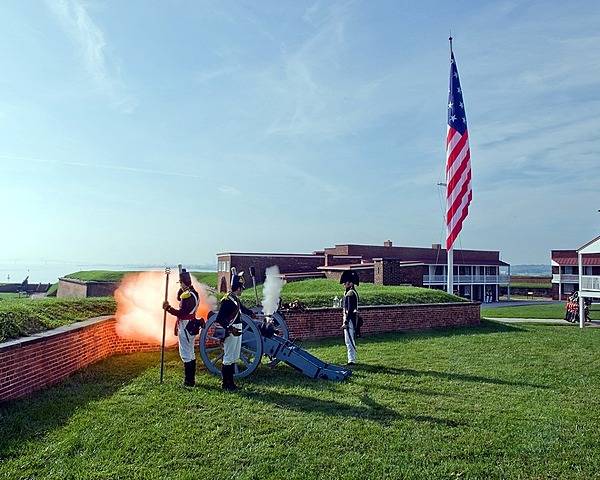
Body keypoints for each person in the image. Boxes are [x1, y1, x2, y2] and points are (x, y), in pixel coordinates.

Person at [162, 267, 203, 387]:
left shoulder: (188, 296)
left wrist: (168, 308)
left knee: (185, 354)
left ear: (183, 283)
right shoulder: (194, 293)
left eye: (180, 283)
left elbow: (181, 313)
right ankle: (191, 380)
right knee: (190, 352)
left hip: (185, 326)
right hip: (191, 324)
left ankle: (188, 381)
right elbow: (180, 298)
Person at [215, 268, 254, 391]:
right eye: (241, 288)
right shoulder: (227, 301)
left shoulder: (235, 299)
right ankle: (226, 384)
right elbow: (220, 318)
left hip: (238, 329)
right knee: (228, 358)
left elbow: (242, 309)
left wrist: (252, 313)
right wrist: (229, 328)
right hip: (231, 330)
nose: (242, 290)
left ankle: (231, 382)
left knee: (233, 357)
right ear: (238, 288)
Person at [340, 270, 360, 365]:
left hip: (350, 319)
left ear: (351, 283)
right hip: (350, 318)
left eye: (346, 282)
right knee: (349, 339)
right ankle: (351, 359)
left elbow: (350, 309)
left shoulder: (350, 294)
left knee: (349, 340)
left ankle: (351, 360)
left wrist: (346, 322)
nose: (344, 284)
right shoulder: (350, 293)